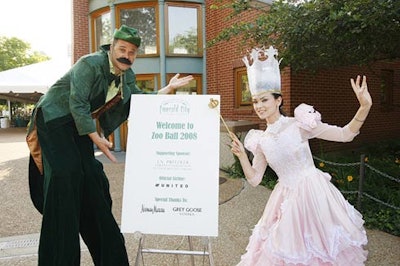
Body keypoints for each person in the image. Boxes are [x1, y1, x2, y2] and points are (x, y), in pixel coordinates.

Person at [26, 25, 193, 265]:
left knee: (92, 180)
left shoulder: (126, 75)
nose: (127, 54)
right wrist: (96, 138)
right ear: (111, 47)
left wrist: (167, 89)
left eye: (132, 51)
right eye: (122, 48)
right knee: (67, 174)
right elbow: (78, 102)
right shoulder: (90, 63)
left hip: (79, 124)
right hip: (54, 117)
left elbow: (136, 100)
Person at [230, 46, 371, 265]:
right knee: (288, 252)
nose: (259, 106)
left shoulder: (300, 124)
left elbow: (345, 135)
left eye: (264, 100)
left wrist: (364, 107)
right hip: (285, 200)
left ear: (278, 100)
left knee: (322, 251)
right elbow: (255, 179)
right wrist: (241, 155)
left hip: (314, 196)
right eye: (255, 101)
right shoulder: (261, 140)